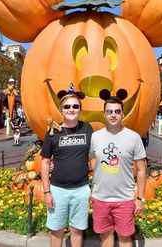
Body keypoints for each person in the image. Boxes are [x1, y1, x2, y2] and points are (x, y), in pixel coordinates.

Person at [90, 89, 146, 247]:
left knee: (125, 239)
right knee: (105, 238)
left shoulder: (133, 138)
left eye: (117, 111)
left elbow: (142, 170)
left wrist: (140, 198)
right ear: (104, 114)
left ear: (123, 113)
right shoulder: (95, 137)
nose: (113, 115)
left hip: (125, 199)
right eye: (109, 111)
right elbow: (84, 160)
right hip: (100, 198)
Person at [40, 83, 93, 247]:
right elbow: (45, 162)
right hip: (57, 190)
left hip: (81, 190)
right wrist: (47, 191)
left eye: (75, 106)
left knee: (77, 230)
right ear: (61, 110)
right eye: (67, 106)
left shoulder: (87, 128)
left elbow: (96, 155)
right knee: (56, 230)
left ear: (80, 109)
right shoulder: (52, 132)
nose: (71, 109)